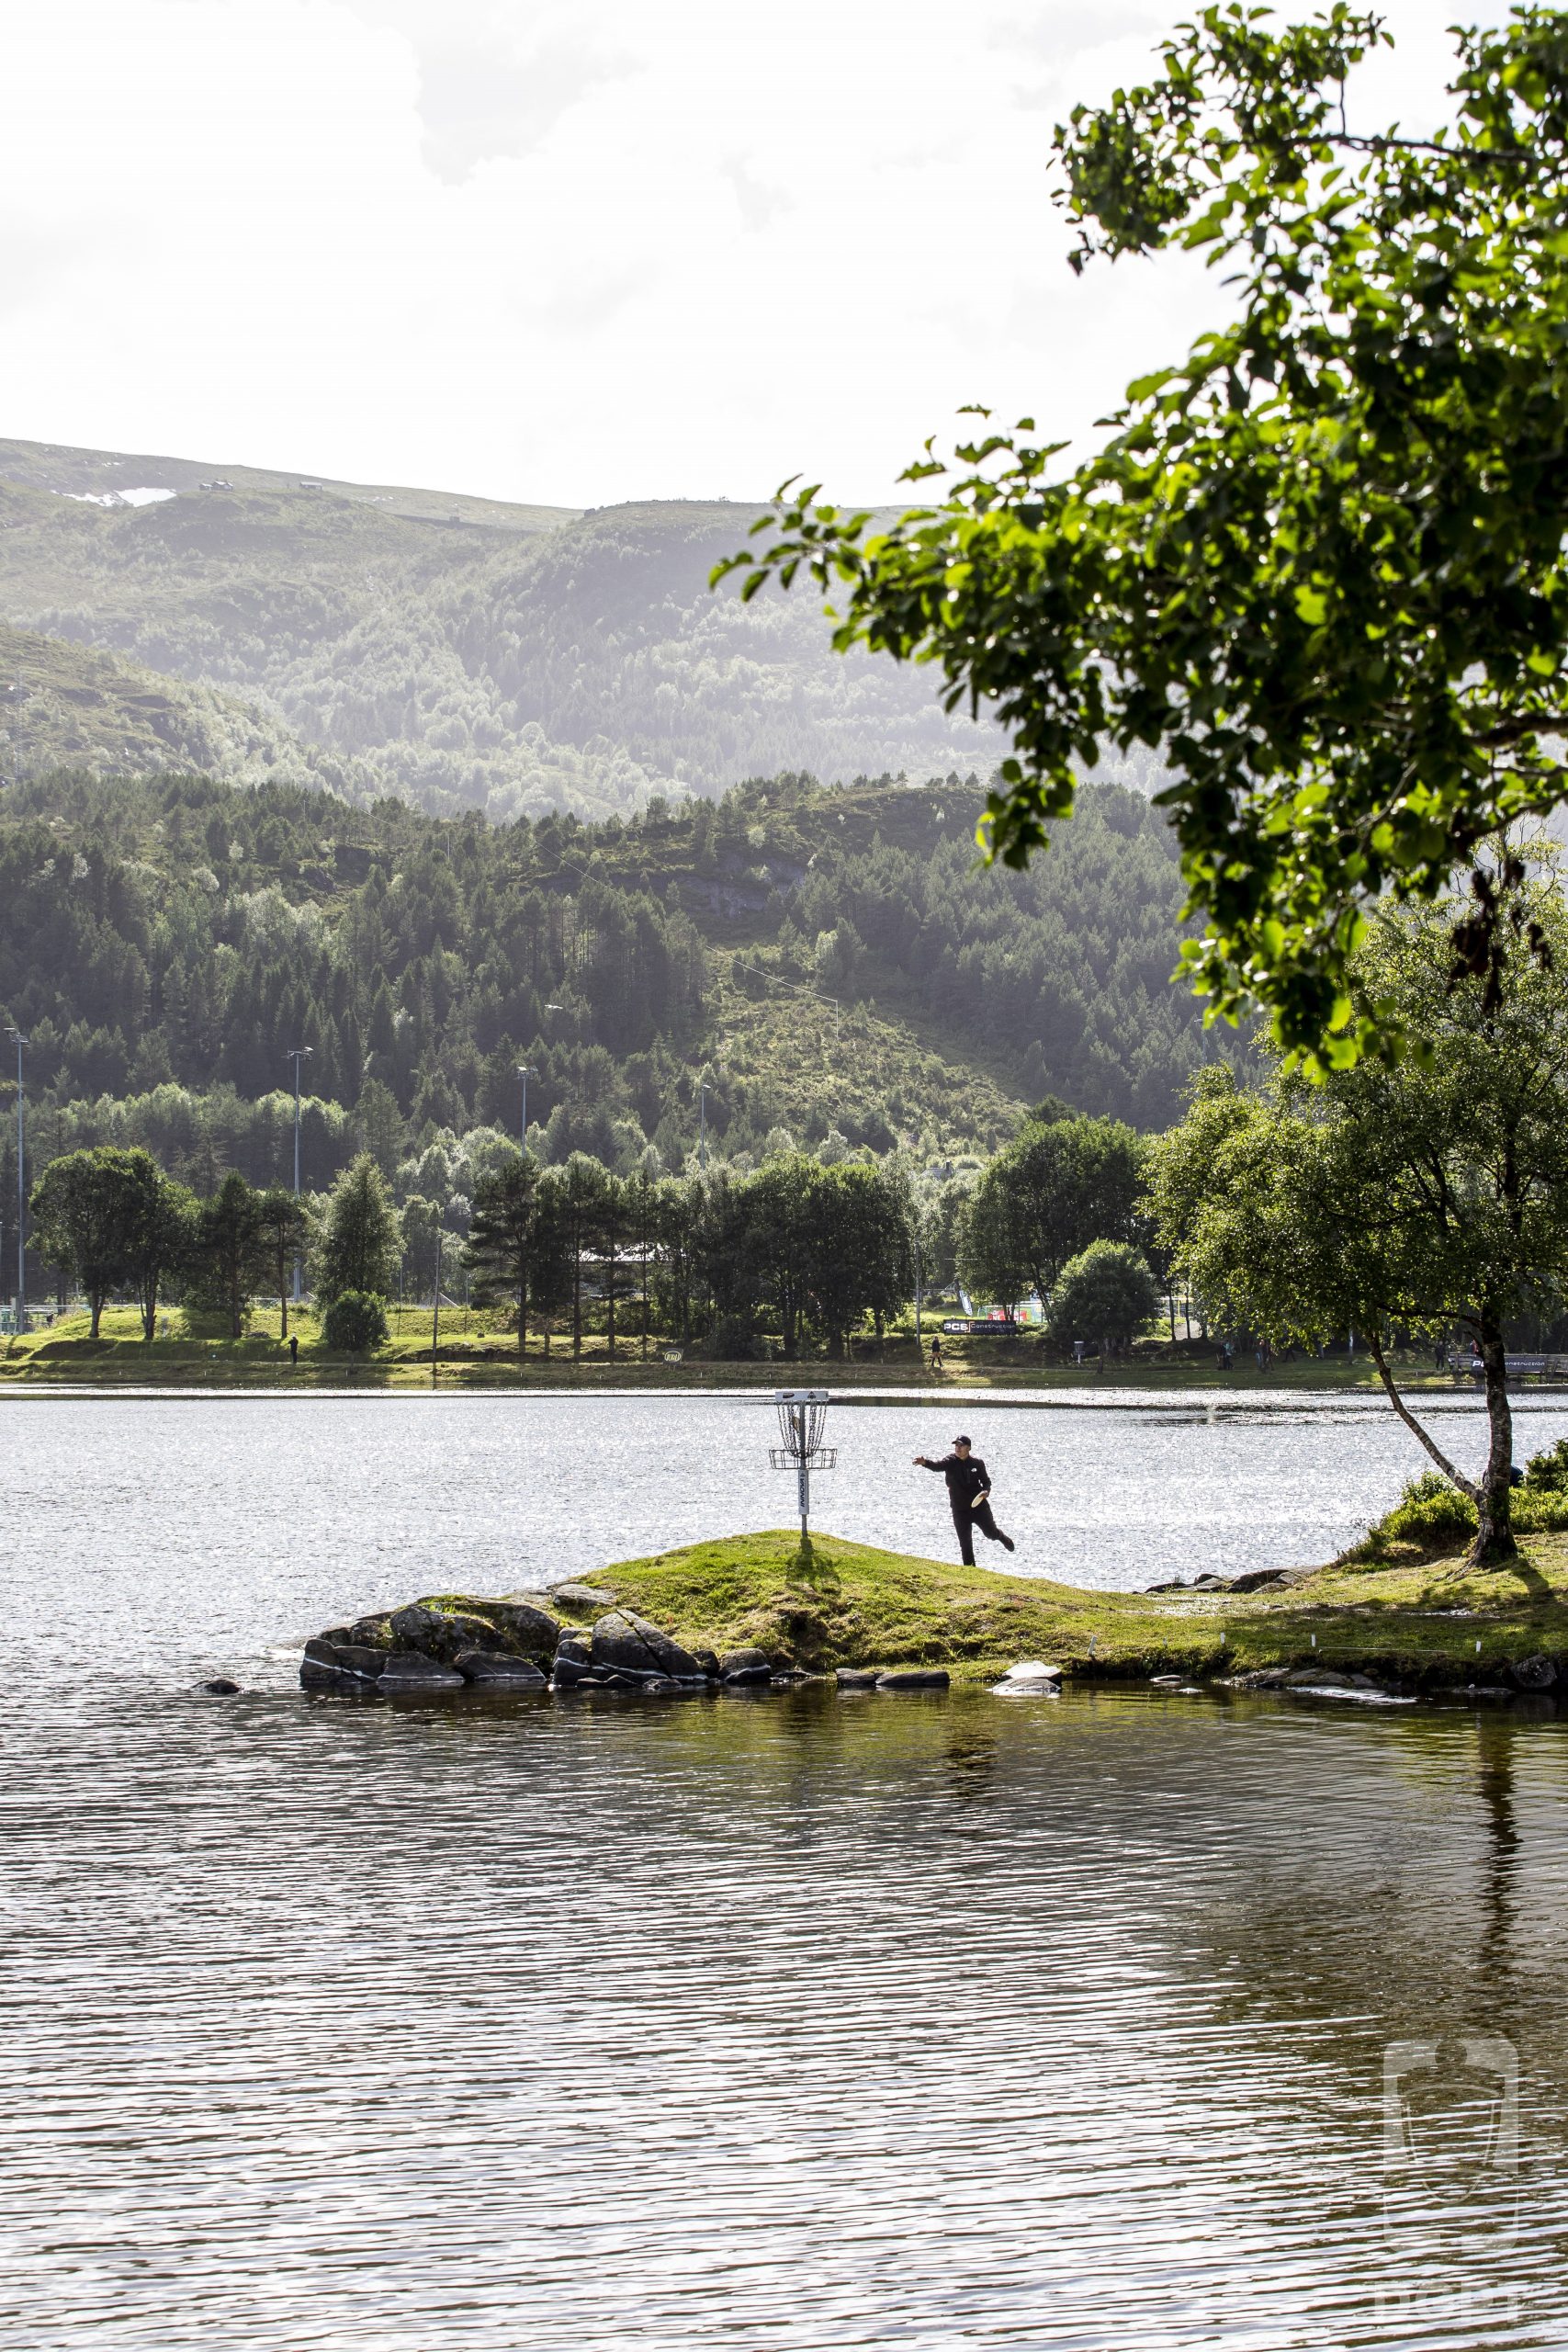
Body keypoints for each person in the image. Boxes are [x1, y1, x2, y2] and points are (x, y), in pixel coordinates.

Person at [913, 1434, 1015, 1565]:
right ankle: (971, 1572)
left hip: (979, 1507)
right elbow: (937, 1466)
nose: (958, 1448)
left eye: (961, 1445)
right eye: (956, 1445)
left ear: (969, 1448)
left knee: (990, 1534)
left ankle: (1001, 1537)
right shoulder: (950, 1461)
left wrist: (986, 1491)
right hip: (959, 1510)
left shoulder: (977, 1463)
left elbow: (986, 1482)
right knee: (965, 1543)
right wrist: (925, 1462)